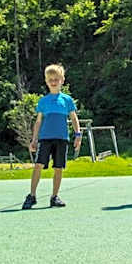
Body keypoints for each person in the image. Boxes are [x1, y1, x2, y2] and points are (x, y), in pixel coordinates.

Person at [24, 64, 83, 209]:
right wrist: (34, 139)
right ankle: (32, 196)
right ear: (46, 81)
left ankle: (54, 196)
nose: (53, 81)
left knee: (58, 168)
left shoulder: (67, 100)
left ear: (62, 80)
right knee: (38, 165)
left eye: (56, 79)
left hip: (61, 138)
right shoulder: (43, 101)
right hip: (45, 139)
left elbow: (74, 118)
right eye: (50, 79)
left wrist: (78, 135)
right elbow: (38, 122)